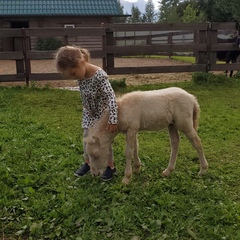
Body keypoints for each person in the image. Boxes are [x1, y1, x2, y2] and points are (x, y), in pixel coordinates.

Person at [55, 45, 118, 181]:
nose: (74, 77)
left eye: (73, 73)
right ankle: (88, 163)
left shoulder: (99, 76)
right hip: (89, 113)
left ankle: (110, 166)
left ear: (81, 62)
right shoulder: (81, 76)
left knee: (103, 141)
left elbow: (111, 97)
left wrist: (113, 119)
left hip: (102, 114)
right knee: (86, 139)